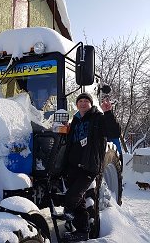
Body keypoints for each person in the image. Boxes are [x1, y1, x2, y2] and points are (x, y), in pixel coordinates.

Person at [62, 92, 121, 242]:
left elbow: (114, 132)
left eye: (85, 101)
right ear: (76, 105)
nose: (82, 103)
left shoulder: (98, 118)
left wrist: (108, 113)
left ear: (90, 103)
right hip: (73, 167)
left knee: (72, 198)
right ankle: (82, 231)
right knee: (80, 202)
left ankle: (68, 212)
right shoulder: (75, 121)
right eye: (80, 101)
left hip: (89, 167)